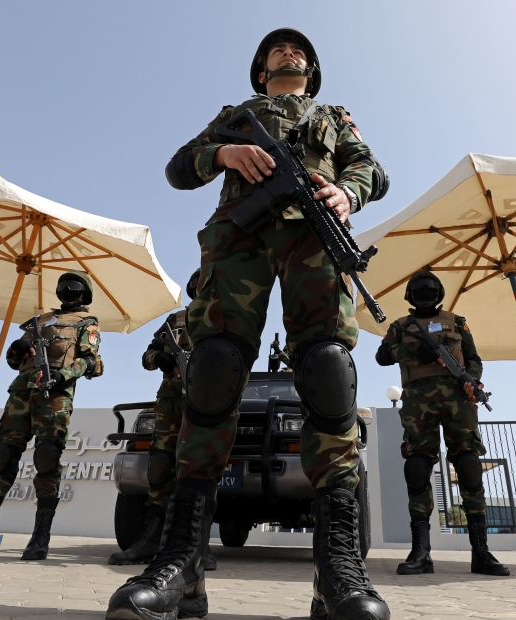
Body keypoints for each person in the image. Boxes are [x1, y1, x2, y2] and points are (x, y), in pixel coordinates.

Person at [107, 28, 390, 620]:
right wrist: (224, 153)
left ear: (311, 70)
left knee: (327, 370)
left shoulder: (335, 117)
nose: (291, 53)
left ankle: (336, 572)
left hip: (316, 241)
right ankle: (181, 564)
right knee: (213, 370)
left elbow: (373, 171)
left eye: (299, 51)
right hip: (238, 242)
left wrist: (346, 192)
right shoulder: (235, 115)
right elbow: (179, 169)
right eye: (277, 51)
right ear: (261, 70)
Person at [0, 271, 103, 561]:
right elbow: (14, 362)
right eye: (62, 285)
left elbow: (90, 362)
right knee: (2, 459)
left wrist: (63, 374)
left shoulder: (87, 324)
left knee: (46, 459)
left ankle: (39, 540)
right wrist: (18, 348)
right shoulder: (37, 322)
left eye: (73, 286)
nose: (66, 290)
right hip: (21, 394)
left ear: (84, 293)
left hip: (54, 396)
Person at [375, 271, 510, 576]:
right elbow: (382, 356)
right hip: (417, 403)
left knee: (469, 465)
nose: (425, 292)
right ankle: (421, 552)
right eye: (419, 289)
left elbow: (474, 359)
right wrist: (413, 351)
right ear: (410, 296)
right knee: (418, 467)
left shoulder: (457, 322)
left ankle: (481, 552)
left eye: (429, 288)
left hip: (458, 401)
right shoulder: (400, 326)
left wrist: (472, 381)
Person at [108, 270, 217, 571]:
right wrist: (161, 359)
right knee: (160, 467)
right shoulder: (176, 321)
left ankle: (198, 546)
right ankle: (151, 541)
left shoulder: (227, 318)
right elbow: (148, 355)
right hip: (170, 402)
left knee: (200, 470)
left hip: (207, 402)